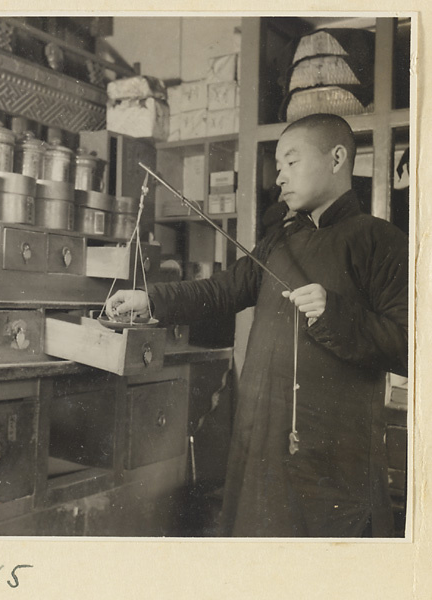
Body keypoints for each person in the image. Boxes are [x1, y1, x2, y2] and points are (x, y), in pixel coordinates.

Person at [106, 113, 408, 537]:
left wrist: (336, 313)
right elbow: (223, 290)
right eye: (278, 166)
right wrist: (150, 298)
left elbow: (411, 348)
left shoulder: (381, 241)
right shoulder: (280, 241)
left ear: (337, 157)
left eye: (291, 161)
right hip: (261, 440)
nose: (280, 177)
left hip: (332, 458)